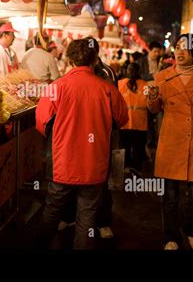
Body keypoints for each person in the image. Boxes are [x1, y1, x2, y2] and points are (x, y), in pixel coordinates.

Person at [35, 39, 128, 249]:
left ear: (69, 60)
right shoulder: (107, 89)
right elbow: (122, 119)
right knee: (87, 215)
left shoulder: (55, 87)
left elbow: (41, 123)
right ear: (95, 60)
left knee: (52, 210)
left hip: (62, 164)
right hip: (94, 164)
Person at [147, 34, 193, 251]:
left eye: (186, 49)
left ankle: (191, 229)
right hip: (172, 139)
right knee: (170, 196)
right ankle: (170, 235)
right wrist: (152, 96)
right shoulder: (162, 77)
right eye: (178, 47)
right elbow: (154, 109)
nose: (180, 52)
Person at [118, 62, 148, 173]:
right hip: (140, 124)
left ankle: (127, 167)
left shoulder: (120, 84)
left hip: (124, 123)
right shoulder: (146, 85)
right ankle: (136, 168)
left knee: (125, 147)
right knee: (138, 148)